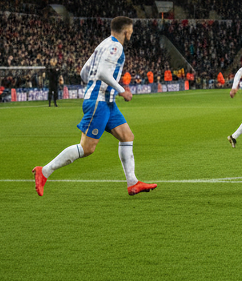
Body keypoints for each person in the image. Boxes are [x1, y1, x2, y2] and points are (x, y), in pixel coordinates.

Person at [33, 16, 157, 197]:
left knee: (127, 136)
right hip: (99, 102)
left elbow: (85, 72)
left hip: (106, 101)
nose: (132, 33)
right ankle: (44, 171)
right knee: (87, 148)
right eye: (131, 30)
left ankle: (132, 183)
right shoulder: (116, 47)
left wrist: (96, 87)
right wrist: (121, 90)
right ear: (126, 31)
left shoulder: (103, 45)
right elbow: (102, 72)